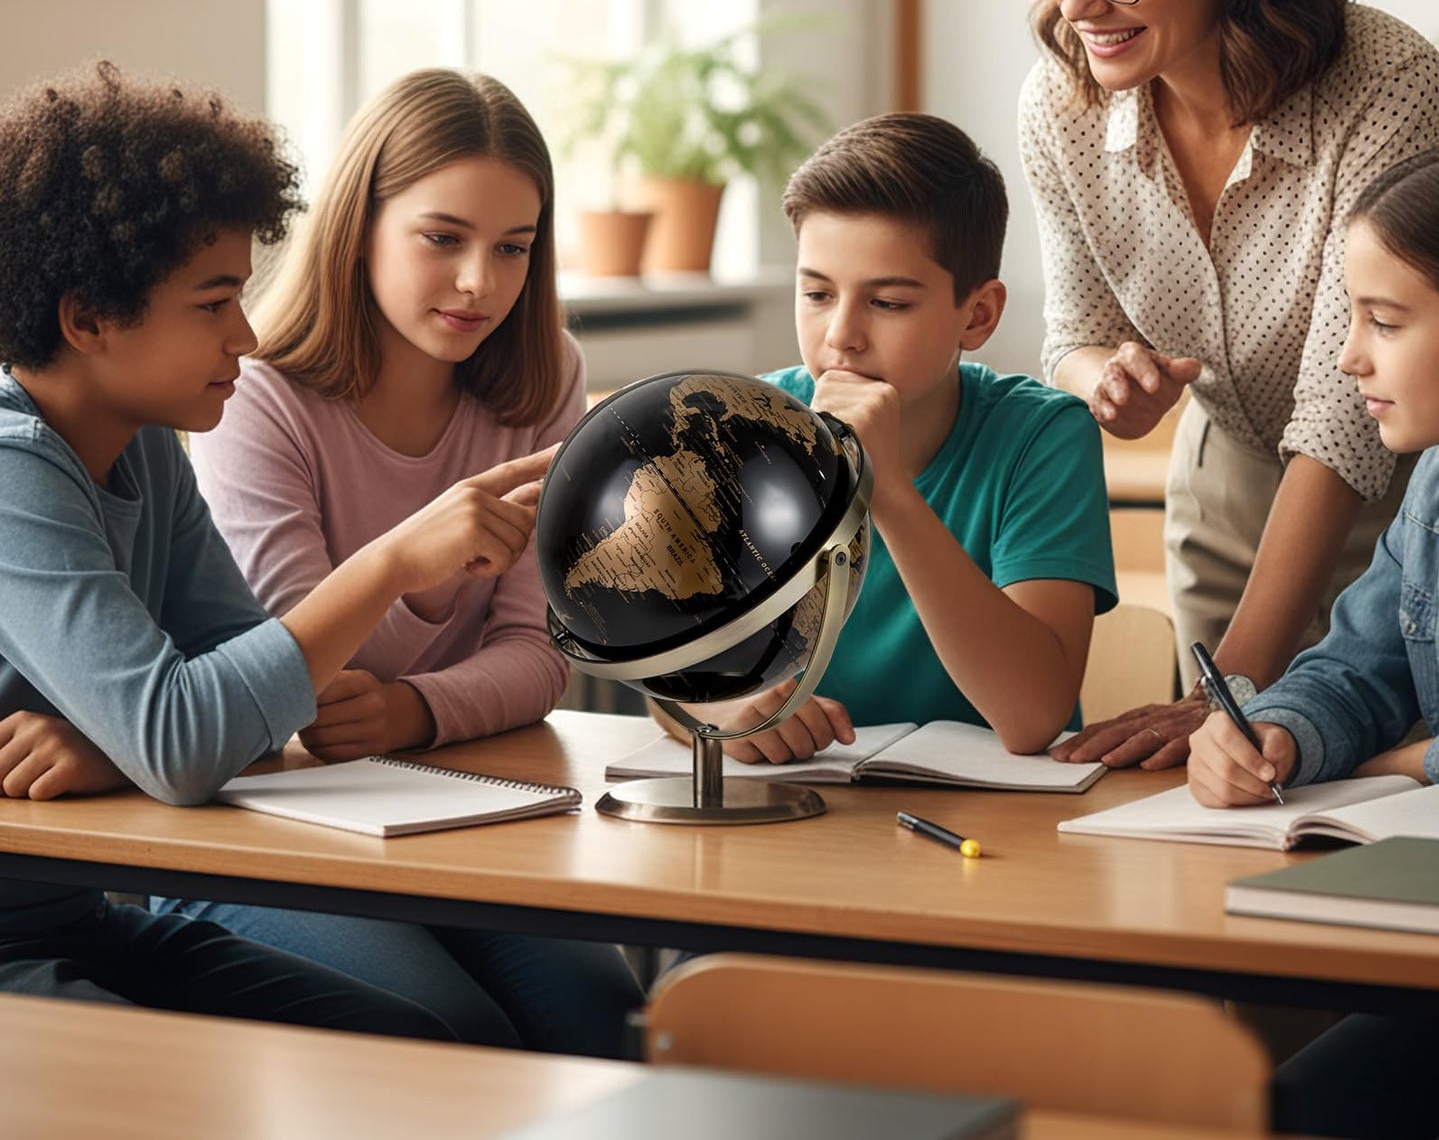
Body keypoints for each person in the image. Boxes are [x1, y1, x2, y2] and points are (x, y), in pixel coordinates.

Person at [0, 62, 553, 1040]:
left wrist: (114, 742)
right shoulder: (13, 473)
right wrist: (392, 562)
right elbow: (187, 739)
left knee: (443, 1040)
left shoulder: (145, 448)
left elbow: (258, 712)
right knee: (424, 1061)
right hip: (17, 951)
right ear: (86, 318)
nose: (247, 335)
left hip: (80, 922)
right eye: (214, 303)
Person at [152, 69, 643, 1058]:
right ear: (358, 228)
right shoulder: (256, 394)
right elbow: (301, 688)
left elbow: (538, 654)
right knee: (445, 1029)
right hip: (269, 816)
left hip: (455, 795)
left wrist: (414, 710)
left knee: (604, 1016)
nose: (479, 283)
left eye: (513, 248)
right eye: (442, 238)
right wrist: (414, 574)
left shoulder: (545, 379)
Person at [1012, 0, 1439, 771]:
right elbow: (1071, 334)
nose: (1075, 3)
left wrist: (1232, 692)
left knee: (1365, 783)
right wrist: (1104, 379)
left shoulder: (1386, 84)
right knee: (1231, 792)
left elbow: (1340, 421)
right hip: (1226, 472)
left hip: (1402, 487)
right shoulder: (1060, 105)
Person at [664, 113, 1117, 762]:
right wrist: (719, 708)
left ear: (978, 314)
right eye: (817, 294)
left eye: (888, 303)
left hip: (994, 811)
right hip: (803, 797)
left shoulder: (1042, 436)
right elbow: (665, 665)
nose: (841, 335)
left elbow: (1033, 716)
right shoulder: (741, 424)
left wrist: (889, 492)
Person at [1188, 146, 1439, 1140]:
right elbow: (1356, 664)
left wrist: (1402, 763)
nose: (1348, 357)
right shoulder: (1432, 485)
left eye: (1383, 321)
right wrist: (1279, 731)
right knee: (1276, 1111)